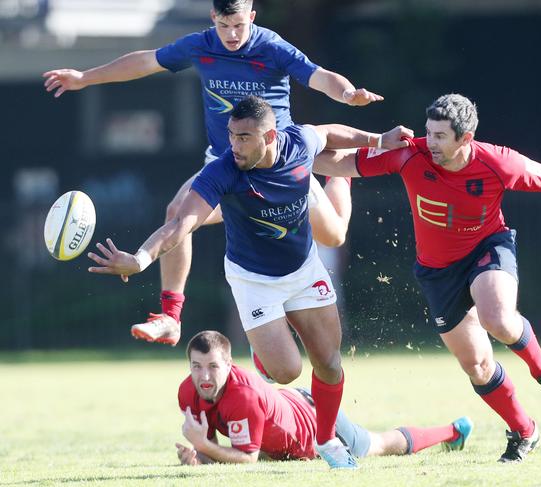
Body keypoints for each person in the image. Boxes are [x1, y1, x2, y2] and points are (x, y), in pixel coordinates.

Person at [87, 96, 410, 468]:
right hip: (254, 281)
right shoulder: (223, 170)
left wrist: (379, 139)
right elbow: (181, 224)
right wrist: (140, 259)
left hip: (304, 271)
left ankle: (327, 442)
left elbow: (328, 133)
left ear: (270, 135)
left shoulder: (298, 142)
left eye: (243, 137)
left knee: (330, 363)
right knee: (286, 372)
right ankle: (265, 352)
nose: (234, 145)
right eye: (231, 135)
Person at [43, 0, 383, 347]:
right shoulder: (200, 45)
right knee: (178, 213)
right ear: (213, 19)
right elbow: (146, 61)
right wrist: (85, 77)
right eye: (224, 25)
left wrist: (346, 93)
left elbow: (318, 75)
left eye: (238, 25)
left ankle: (340, 176)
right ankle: (170, 317)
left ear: (251, 17)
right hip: (227, 166)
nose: (232, 34)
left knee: (335, 235)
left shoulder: (272, 46)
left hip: (281, 169)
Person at [313, 93, 541, 463]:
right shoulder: (410, 153)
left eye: (441, 136)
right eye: (429, 132)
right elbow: (342, 163)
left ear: (466, 138)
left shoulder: (498, 162)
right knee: (476, 365)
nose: (431, 143)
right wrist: (291, 156)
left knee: (498, 319)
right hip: (437, 271)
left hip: (487, 248)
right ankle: (525, 430)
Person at [174, 330, 473, 465]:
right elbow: (213, 450)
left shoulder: (243, 396)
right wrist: (198, 456)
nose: (205, 377)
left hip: (315, 422)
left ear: (229, 364)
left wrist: (201, 447)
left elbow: (247, 459)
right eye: (197, 367)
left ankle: (453, 431)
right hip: (286, 411)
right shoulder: (188, 391)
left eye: (213, 367)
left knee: (377, 445)